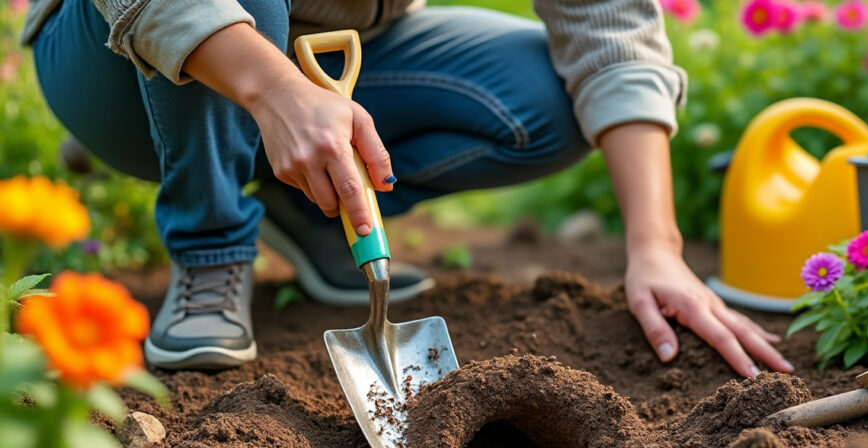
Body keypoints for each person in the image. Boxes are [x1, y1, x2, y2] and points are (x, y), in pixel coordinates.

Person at [22, 0, 793, 376]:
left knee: (545, 102)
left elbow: (608, 27)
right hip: (121, 42)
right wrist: (281, 95)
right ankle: (212, 243)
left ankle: (309, 205)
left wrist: (656, 245)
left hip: (346, 43)